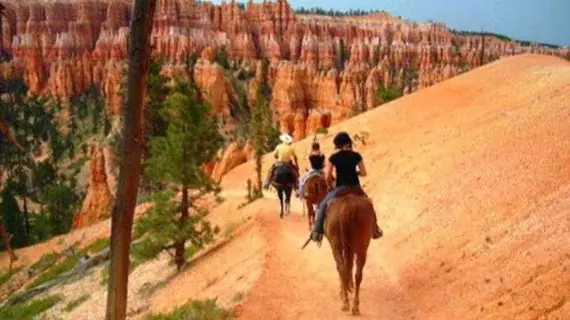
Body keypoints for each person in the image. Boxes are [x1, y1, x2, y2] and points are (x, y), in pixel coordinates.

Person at [309, 131, 383, 242]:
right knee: (369, 205)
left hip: (340, 189)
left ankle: (317, 232)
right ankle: (375, 229)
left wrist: (330, 185)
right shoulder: (356, 156)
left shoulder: (333, 157)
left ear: (337, 145)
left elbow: (328, 176)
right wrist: (356, 173)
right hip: (356, 187)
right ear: (348, 143)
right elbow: (364, 173)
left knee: (322, 206)